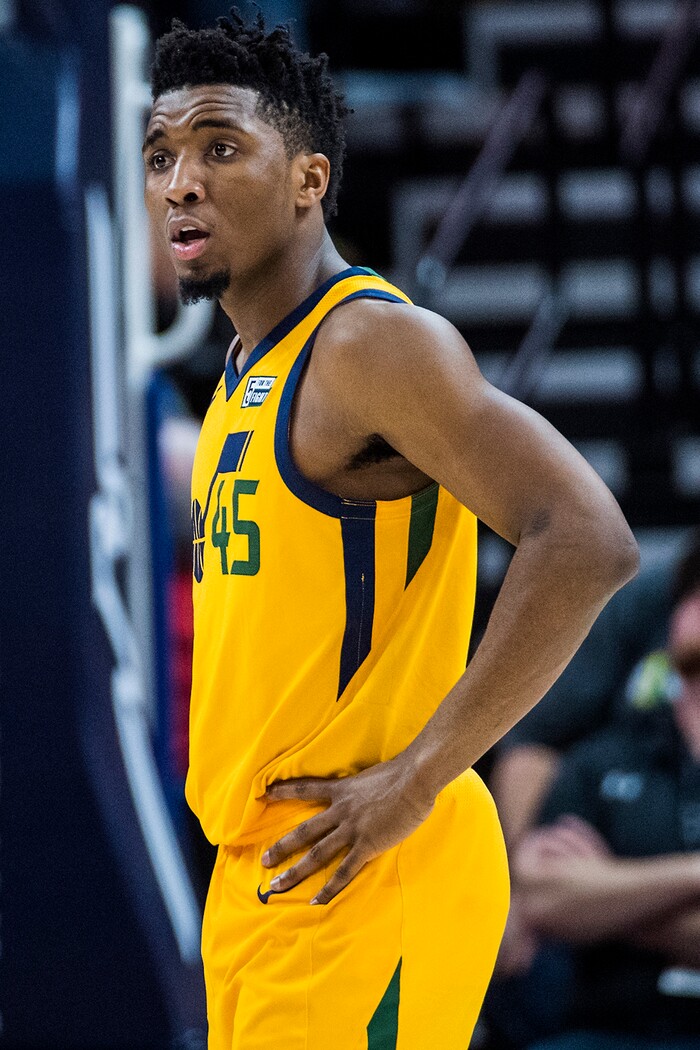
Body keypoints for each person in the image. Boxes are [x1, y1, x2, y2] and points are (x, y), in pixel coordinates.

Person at [142, 11, 638, 1049]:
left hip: (366, 865)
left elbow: (586, 538)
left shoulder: (372, 343)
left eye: (220, 148)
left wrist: (416, 778)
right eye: (162, 156)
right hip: (264, 875)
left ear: (307, 180)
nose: (180, 181)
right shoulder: (242, 372)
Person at [512, 542, 700, 1050]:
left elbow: (575, 902)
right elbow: (542, 897)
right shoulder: (607, 757)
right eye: (691, 594)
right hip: (608, 1030)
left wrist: (610, 897)